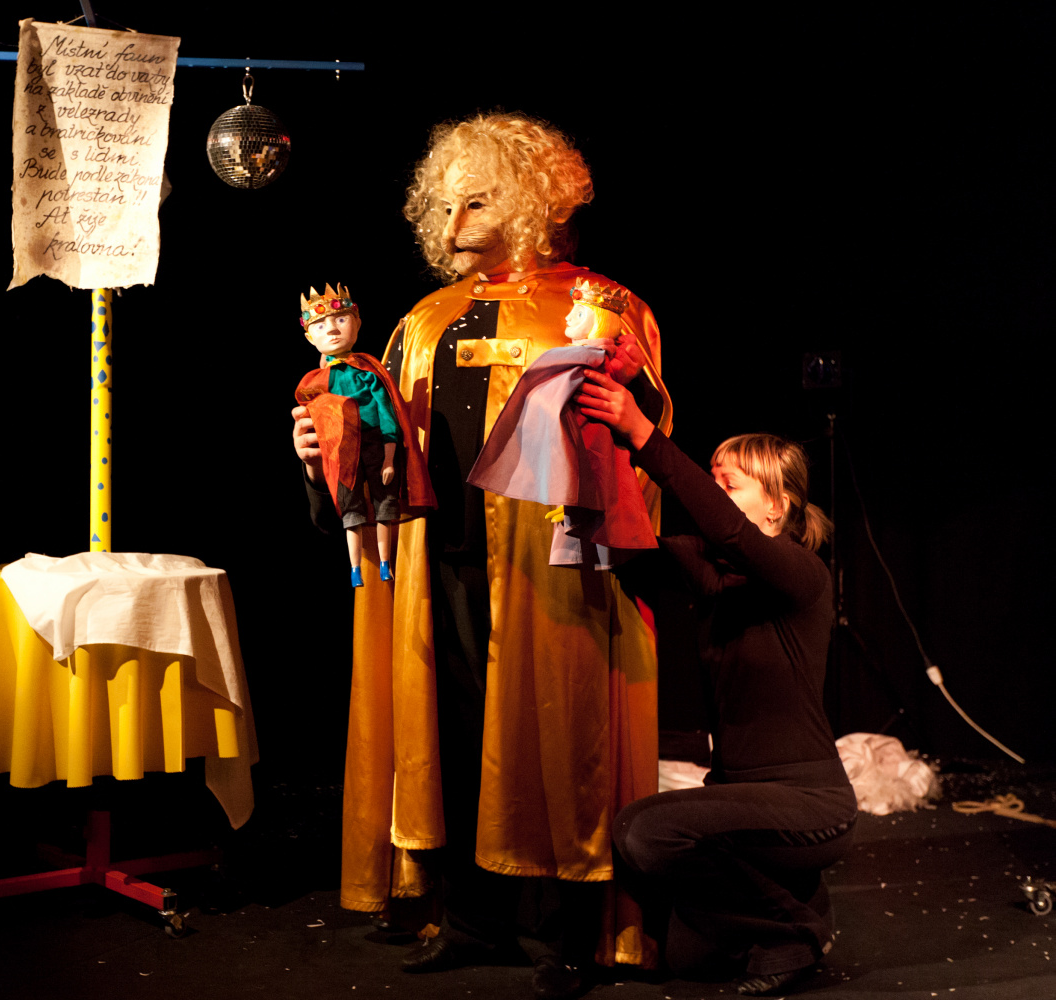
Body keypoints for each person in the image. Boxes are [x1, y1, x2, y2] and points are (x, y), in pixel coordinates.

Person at [292, 112, 670, 997]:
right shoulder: (423, 321)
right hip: (444, 561)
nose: (454, 222)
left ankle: (568, 928)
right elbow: (384, 447)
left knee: (558, 742)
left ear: (533, 202)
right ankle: (470, 919)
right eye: (447, 203)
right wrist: (322, 462)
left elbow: (644, 436)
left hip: (554, 565)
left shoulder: (603, 307)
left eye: (478, 201)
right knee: (455, 740)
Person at [577, 369, 854, 996]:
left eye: (729, 484)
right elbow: (628, 550)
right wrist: (588, 461)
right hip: (740, 798)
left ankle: (796, 928)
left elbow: (730, 530)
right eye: (713, 481)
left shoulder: (802, 575)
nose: (714, 493)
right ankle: (799, 896)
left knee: (644, 831)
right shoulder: (712, 572)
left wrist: (643, 434)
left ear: (777, 506)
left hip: (810, 802)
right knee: (689, 957)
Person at [294, 284, 435, 586]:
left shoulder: (370, 373)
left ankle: (384, 562)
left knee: (385, 505)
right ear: (309, 337)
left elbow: (387, 415)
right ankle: (355, 567)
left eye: (340, 319)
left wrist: (389, 457)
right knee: (351, 510)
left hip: (375, 446)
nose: (332, 329)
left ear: (357, 322)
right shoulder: (316, 381)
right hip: (343, 450)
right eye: (320, 325)